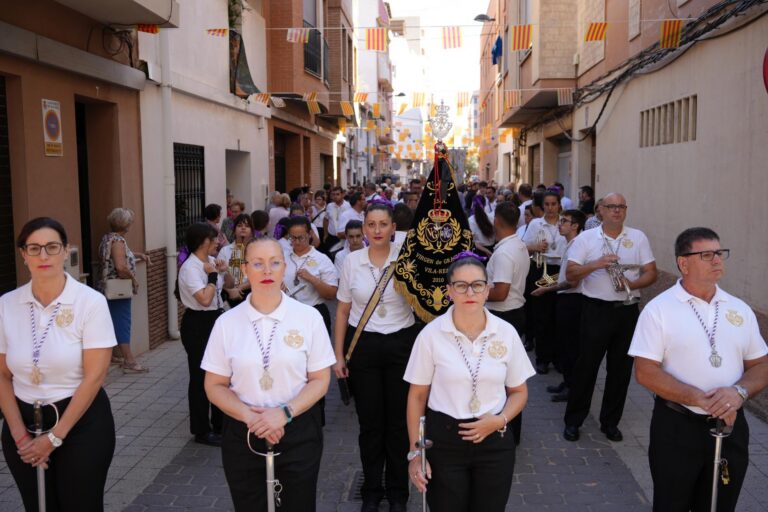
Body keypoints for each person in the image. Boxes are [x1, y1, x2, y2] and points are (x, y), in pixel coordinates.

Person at [628, 227, 768, 511]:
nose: (717, 260)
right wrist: (698, 398)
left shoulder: (739, 309)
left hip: (730, 427)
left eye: (719, 253)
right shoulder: (659, 310)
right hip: (677, 427)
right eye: (707, 255)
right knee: (671, 504)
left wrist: (738, 392)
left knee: (720, 505)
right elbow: (645, 372)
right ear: (684, 262)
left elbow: (761, 365)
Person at [202, 237, 335, 512]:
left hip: (297, 428)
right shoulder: (226, 323)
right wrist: (250, 417)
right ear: (246, 269)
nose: (266, 271)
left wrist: (284, 413)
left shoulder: (309, 318)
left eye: (274, 263)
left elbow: (320, 380)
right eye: (258, 263)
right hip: (244, 430)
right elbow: (214, 385)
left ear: (284, 267)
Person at [0, 217, 117, 510]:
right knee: (38, 506)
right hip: (23, 423)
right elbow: (2, 376)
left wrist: (54, 437)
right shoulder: (6, 305)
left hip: (80, 423)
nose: (43, 256)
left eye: (52, 247)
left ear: (65, 251)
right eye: (34, 248)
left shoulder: (90, 302)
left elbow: (94, 377)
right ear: (23, 255)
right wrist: (20, 436)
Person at [404, 253, 535, 512]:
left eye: (477, 285)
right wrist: (415, 453)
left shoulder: (506, 333)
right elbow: (417, 397)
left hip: (495, 439)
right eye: (461, 285)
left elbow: (519, 392)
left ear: (487, 290)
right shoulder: (431, 335)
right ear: (449, 291)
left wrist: (501, 420)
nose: (469, 292)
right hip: (444, 440)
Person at [333, 203, 420, 512]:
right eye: (372, 224)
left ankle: (399, 492)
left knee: (399, 424)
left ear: (393, 227)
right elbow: (342, 310)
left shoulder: (408, 256)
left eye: (384, 224)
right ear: (364, 228)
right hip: (364, 346)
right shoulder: (351, 262)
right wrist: (338, 356)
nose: (378, 230)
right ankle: (372, 490)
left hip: (401, 344)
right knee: (370, 425)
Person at [563, 193, 658, 442]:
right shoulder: (586, 238)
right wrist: (596, 264)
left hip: (627, 310)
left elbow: (651, 272)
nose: (617, 211)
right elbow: (571, 274)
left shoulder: (637, 237)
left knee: (621, 370)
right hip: (595, 310)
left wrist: (632, 282)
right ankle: (573, 421)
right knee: (586, 367)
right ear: (600, 210)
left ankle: (610, 422)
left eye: (621, 207)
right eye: (611, 207)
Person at [178, 222, 227, 446]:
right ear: (203, 242)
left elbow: (228, 289)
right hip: (198, 322)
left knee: (219, 374)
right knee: (200, 377)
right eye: (213, 239)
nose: (217, 242)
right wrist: (213, 277)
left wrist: (222, 272)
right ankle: (201, 430)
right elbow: (204, 299)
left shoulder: (208, 263)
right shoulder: (190, 268)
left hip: (214, 319)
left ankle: (220, 424)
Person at [531, 209, 586, 402]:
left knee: (571, 347)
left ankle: (572, 388)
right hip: (565, 299)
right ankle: (567, 382)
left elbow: (573, 282)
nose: (559, 223)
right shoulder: (570, 244)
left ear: (575, 226)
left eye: (564, 221)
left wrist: (546, 290)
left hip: (572, 301)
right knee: (564, 344)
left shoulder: (577, 246)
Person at [97, 208, 150, 373]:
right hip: (118, 288)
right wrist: (134, 279)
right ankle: (129, 360)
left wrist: (137, 255)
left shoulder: (108, 238)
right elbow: (120, 266)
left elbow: (118, 256)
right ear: (126, 225)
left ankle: (115, 355)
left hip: (107, 287)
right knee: (122, 322)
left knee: (113, 322)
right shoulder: (118, 241)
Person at [522, 191, 566, 374]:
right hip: (541, 269)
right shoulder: (535, 224)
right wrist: (534, 247)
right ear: (543, 206)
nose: (550, 208)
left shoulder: (566, 223)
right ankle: (542, 358)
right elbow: (522, 246)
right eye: (546, 204)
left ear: (559, 205)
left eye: (553, 204)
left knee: (558, 316)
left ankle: (557, 358)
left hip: (560, 270)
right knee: (541, 315)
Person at [283, 217, 338, 335]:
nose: (296, 242)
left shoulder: (321, 259)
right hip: (287, 313)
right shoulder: (282, 258)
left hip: (314, 312)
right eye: (293, 238)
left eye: (301, 237)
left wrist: (313, 280)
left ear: (309, 234)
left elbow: (332, 294)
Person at [219, 214, 254, 308]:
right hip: (229, 294)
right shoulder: (225, 251)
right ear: (234, 230)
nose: (243, 228)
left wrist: (240, 288)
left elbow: (259, 275)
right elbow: (219, 277)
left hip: (252, 294)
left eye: (247, 226)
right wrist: (230, 290)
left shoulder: (257, 251)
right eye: (239, 226)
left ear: (252, 231)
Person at [323, 186, 351, 254]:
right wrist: (325, 234)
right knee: (331, 256)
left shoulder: (349, 206)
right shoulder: (329, 206)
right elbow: (326, 219)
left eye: (337, 194)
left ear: (343, 194)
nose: (335, 196)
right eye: (333, 194)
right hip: (332, 238)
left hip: (344, 238)